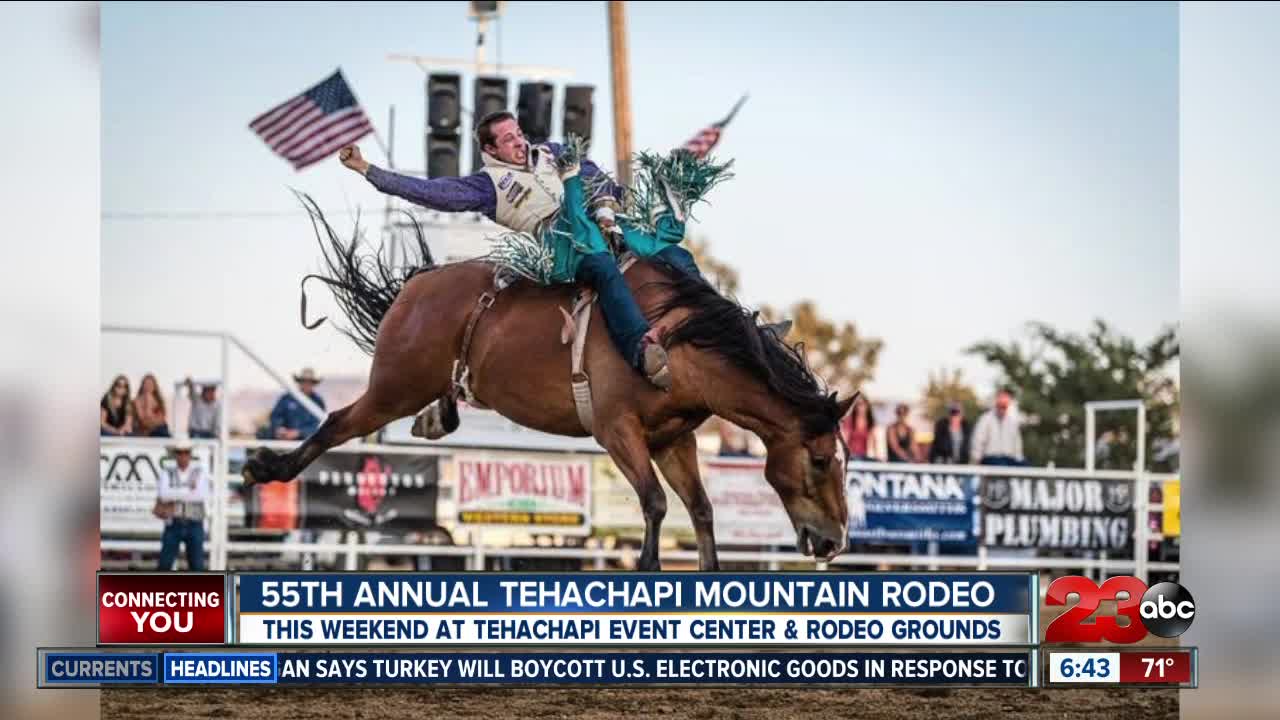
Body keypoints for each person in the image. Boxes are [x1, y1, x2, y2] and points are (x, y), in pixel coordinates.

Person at [340, 111, 674, 388]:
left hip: (603, 224)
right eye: (508, 139)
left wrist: (606, 207)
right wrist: (368, 169)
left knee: (672, 254)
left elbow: (596, 177)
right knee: (603, 269)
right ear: (491, 149)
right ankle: (639, 348)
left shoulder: (552, 152)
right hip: (564, 247)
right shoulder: (486, 186)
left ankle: (706, 322)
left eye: (518, 133)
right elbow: (429, 192)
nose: (519, 141)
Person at [154, 438, 210, 571]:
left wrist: (175, 492)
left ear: (190, 454)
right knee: (164, 564)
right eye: (180, 453)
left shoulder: (199, 473)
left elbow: (201, 495)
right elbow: (163, 494)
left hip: (194, 522)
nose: (183, 456)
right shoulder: (167, 472)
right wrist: (188, 490)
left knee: (196, 566)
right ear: (175, 454)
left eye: (185, 452)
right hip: (174, 522)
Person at [970, 387, 1026, 466]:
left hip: (1009, 458)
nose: (1002, 408)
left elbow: (1017, 442)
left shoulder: (1011, 420)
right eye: (1001, 405)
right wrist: (976, 458)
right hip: (990, 457)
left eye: (1005, 406)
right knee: (1002, 465)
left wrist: (1019, 458)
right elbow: (978, 439)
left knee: (1025, 466)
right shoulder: (986, 419)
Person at [269, 367, 326, 440]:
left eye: (309, 382)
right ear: (299, 382)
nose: (306, 384)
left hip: (307, 442)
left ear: (313, 384)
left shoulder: (318, 401)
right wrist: (280, 428)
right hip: (283, 440)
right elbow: (276, 416)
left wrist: (299, 433)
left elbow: (319, 424)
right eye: (304, 381)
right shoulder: (286, 398)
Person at [840, 395, 878, 461]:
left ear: (867, 406)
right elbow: (845, 439)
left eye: (863, 404)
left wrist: (876, 456)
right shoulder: (849, 421)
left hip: (865, 456)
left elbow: (873, 442)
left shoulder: (871, 422)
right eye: (858, 404)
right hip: (851, 455)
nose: (860, 407)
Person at [133, 373, 170, 438]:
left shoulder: (159, 401)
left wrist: (153, 422)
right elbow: (144, 421)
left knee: (162, 430)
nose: (148, 386)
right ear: (142, 386)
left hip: (159, 430)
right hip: (145, 433)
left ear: (155, 386)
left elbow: (161, 420)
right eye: (146, 384)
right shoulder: (137, 401)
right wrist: (148, 402)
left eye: (150, 384)